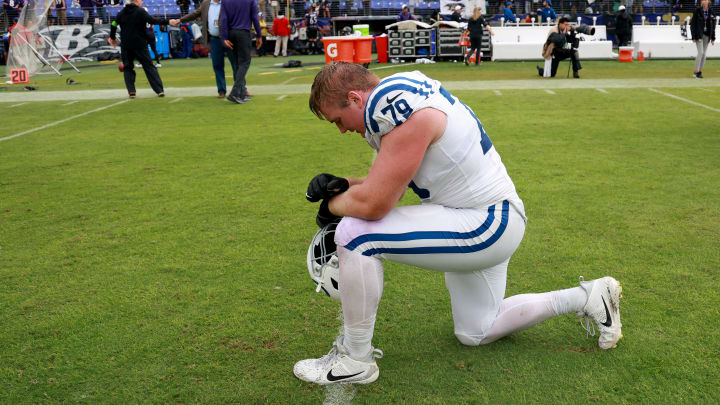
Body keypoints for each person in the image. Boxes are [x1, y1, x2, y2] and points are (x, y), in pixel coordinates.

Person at [293, 63, 623, 385]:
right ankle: (589, 297)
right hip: (490, 217)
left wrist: (332, 207)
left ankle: (355, 359)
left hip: (483, 223)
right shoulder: (403, 90)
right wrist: (343, 185)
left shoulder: (390, 104)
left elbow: (376, 204)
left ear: (354, 98)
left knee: (355, 233)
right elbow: (388, 176)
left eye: (338, 119)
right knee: (476, 331)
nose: (341, 129)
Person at [171, 0, 239, 98]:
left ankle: (241, 88)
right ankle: (221, 91)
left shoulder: (228, 2)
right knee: (217, 66)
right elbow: (194, 14)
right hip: (214, 39)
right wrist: (180, 20)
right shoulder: (206, 4)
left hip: (229, 38)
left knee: (236, 64)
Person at [108, 0, 169, 98]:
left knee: (128, 67)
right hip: (139, 44)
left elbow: (114, 24)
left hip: (126, 45)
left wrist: (113, 37)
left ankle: (131, 92)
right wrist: (168, 21)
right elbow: (152, 21)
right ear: (136, 1)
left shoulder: (121, 13)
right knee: (149, 66)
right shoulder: (140, 11)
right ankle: (159, 90)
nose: (142, 2)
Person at [221, 0, 262, 104]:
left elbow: (224, 19)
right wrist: (259, 35)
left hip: (231, 33)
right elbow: (254, 18)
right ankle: (235, 92)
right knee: (245, 63)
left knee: (237, 64)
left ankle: (242, 93)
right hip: (243, 33)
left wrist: (225, 36)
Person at [690, 0, 716, 78]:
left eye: (706, 0)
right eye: (703, 0)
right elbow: (693, 25)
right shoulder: (697, 11)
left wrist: (713, 37)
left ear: (709, 1)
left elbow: (713, 26)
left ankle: (700, 71)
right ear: (701, 2)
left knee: (704, 54)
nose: (704, 1)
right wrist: (693, 36)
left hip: (707, 35)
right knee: (700, 52)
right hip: (699, 35)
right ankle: (696, 71)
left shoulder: (711, 11)